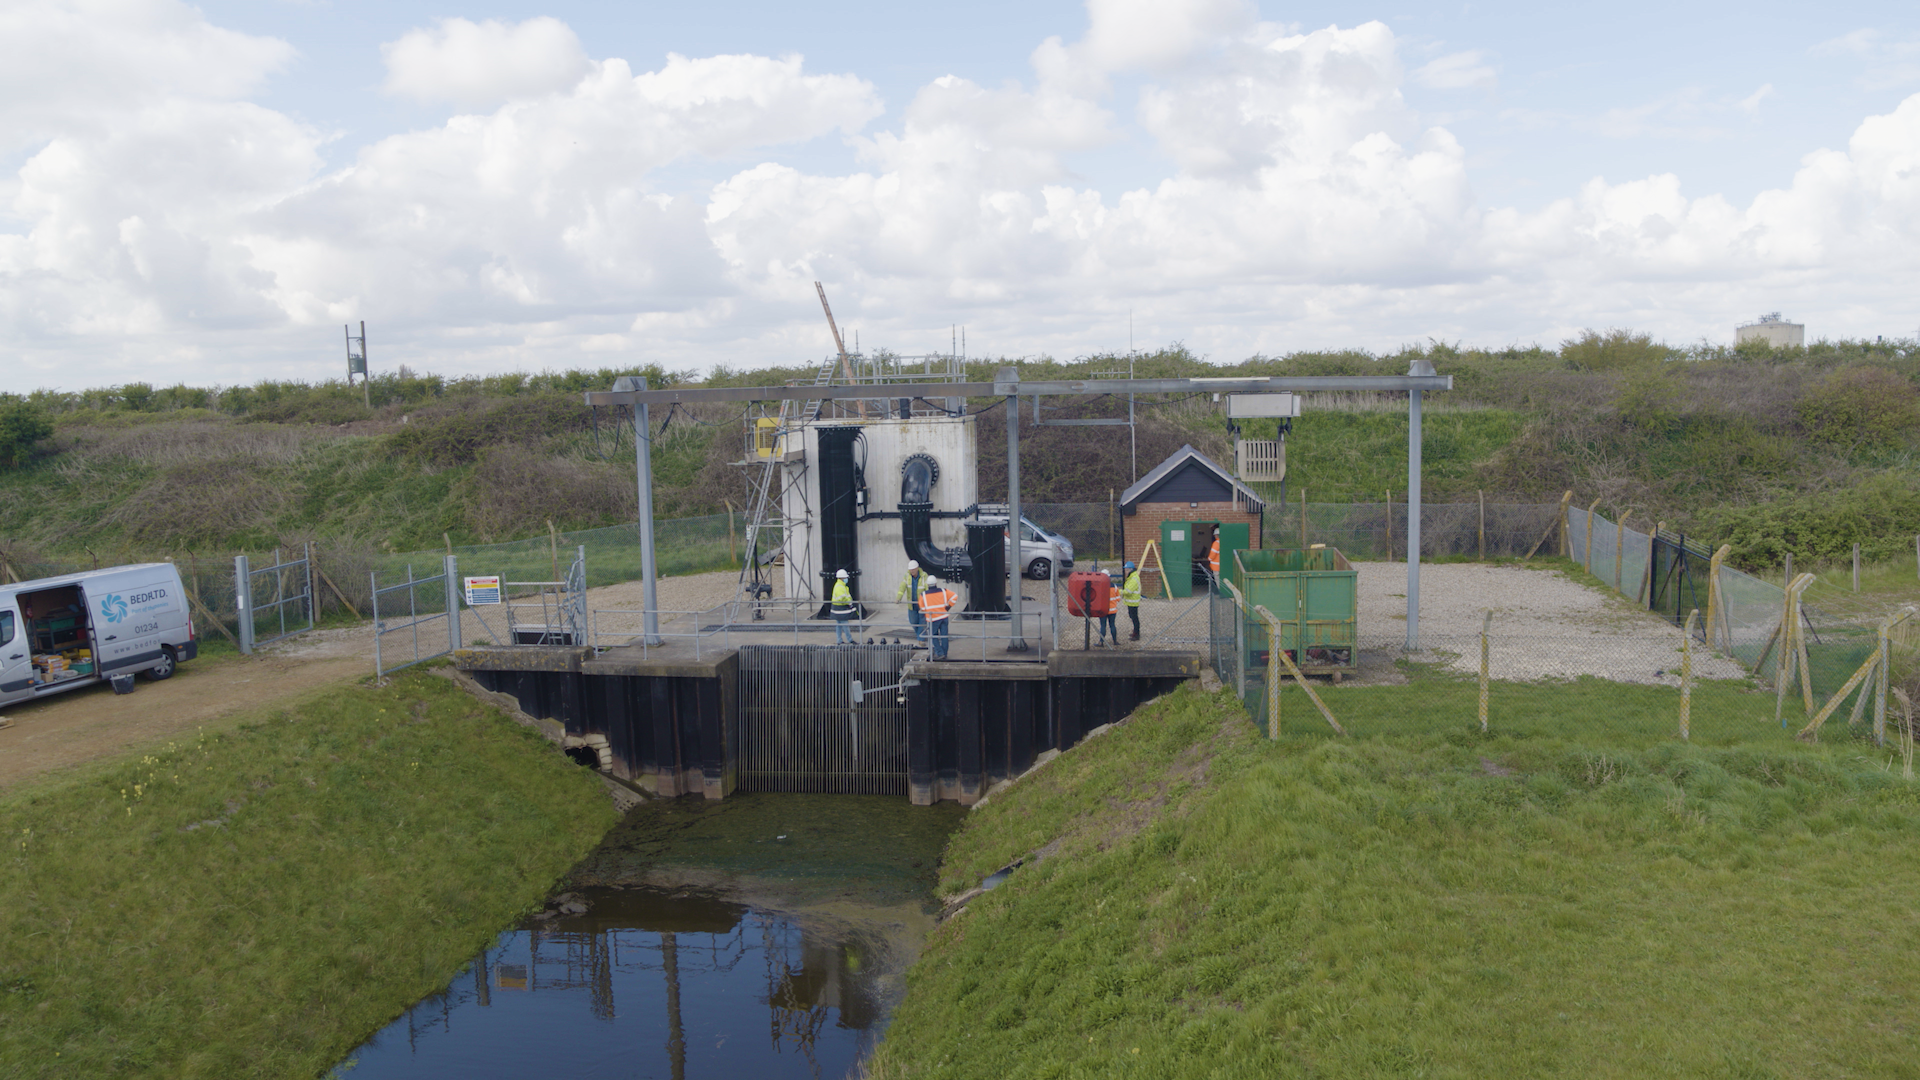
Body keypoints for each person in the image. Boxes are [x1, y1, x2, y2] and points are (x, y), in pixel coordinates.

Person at [919, 575, 954, 660]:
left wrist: (926, 612)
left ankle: (940, 653)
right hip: (944, 617)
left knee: (933, 635)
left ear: (927, 584)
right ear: (935, 583)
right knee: (944, 636)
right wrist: (948, 606)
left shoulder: (923, 595)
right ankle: (944, 654)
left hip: (933, 619)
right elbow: (954, 597)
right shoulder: (943, 591)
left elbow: (922, 607)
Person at [896, 560, 928, 644]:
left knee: (922, 622)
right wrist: (898, 598)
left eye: (913, 569)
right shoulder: (907, 576)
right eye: (910, 569)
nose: (912, 571)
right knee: (913, 622)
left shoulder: (924, 576)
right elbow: (902, 587)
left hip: (922, 605)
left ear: (917, 568)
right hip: (912, 605)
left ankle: (921, 640)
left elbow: (927, 590)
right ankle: (921, 634)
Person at [831, 568, 856, 644]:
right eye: (845, 577)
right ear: (842, 578)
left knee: (839, 625)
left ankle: (839, 640)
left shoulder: (840, 585)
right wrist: (849, 602)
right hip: (840, 608)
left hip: (836, 608)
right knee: (845, 625)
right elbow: (842, 598)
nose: (846, 579)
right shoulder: (840, 586)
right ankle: (850, 640)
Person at [1121, 560, 1143, 641]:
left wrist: (1117, 591)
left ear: (1130, 569)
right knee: (1132, 616)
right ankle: (1135, 631)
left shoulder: (1133, 578)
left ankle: (1136, 634)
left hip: (1133, 602)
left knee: (1134, 618)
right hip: (1131, 601)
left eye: (1126, 570)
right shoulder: (1132, 577)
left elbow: (1128, 591)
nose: (1125, 572)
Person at [1097, 571, 1120, 646]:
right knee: (1112, 625)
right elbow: (1118, 599)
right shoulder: (1114, 586)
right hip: (1112, 610)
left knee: (1103, 626)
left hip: (1102, 609)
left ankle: (1101, 642)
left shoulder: (1099, 586)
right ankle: (1115, 641)